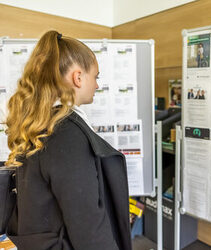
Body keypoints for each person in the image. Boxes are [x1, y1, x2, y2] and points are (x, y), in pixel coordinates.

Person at [4, 31, 132, 250]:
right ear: (78, 77)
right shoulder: (67, 135)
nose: (98, 85)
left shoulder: (43, 124)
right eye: (96, 76)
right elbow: (88, 226)